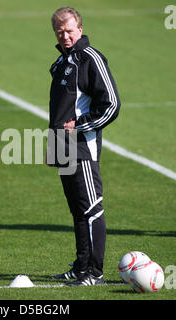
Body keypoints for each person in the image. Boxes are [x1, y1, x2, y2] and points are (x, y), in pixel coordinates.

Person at [48, 7, 121, 286]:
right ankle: (81, 266)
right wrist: (53, 147)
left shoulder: (91, 59)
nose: (65, 36)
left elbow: (111, 105)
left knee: (91, 209)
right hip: (63, 148)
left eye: (69, 30)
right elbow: (61, 109)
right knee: (78, 210)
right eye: (59, 31)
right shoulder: (63, 61)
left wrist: (80, 125)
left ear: (79, 28)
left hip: (82, 149)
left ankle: (95, 272)